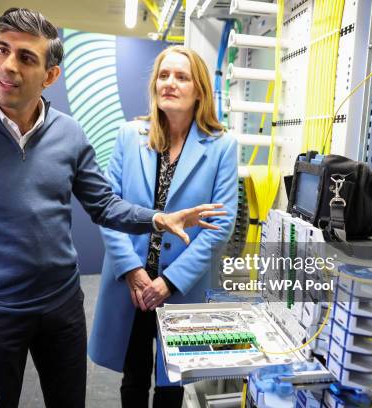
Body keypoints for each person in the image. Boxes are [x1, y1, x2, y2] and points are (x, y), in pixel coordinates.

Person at [0, 8, 224, 408]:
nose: (7, 67)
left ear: (50, 76)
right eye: (1, 50)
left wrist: (156, 219)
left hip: (61, 309)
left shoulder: (69, 133)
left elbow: (104, 205)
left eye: (26, 57)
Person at [88, 46, 238, 407]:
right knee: (134, 377)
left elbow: (221, 224)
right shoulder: (129, 135)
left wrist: (170, 282)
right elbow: (110, 209)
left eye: (181, 77)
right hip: (133, 285)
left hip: (180, 288)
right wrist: (133, 271)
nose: (169, 83)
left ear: (199, 90)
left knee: (172, 384)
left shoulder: (221, 146)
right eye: (163, 75)